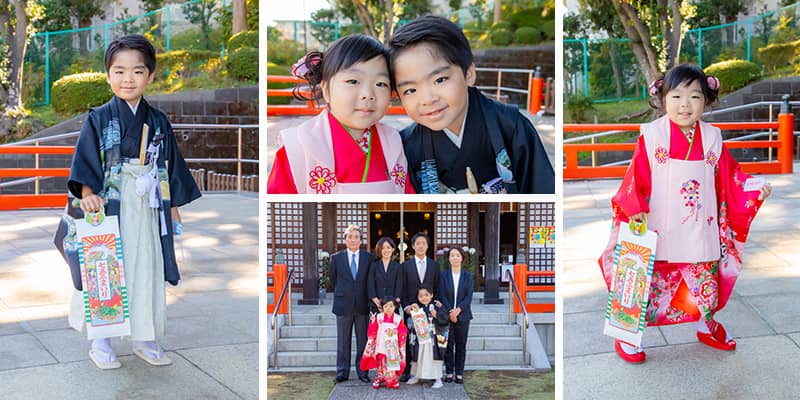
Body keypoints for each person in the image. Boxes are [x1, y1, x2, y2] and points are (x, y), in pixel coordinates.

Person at [599, 64, 772, 363]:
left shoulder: (713, 138)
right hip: (658, 225)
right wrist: (636, 208)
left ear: (707, 100)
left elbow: (730, 176)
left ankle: (706, 324)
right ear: (662, 99)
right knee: (646, 283)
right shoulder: (652, 135)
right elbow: (635, 178)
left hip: (698, 227)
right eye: (676, 97)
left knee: (704, 282)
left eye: (694, 97)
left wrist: (752, 187)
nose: (685, 105)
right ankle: (627, 335)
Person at [53, 34, 201, 370]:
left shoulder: (158, 120)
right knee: (103, 269)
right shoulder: (99, 118)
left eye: (137, 71)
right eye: (119, 71)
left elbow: (169, 166)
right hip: (108, 204)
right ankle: (100, 340)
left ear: (150, 76)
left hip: (146, 204)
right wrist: (87, 194)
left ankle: (144, 337)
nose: (127, 79)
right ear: (107, 75)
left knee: (145, 267)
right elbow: (84, 162)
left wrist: (173, 203)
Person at [388, 15, 554, 194]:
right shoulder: (406, 145)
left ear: (469, 74)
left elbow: (542, 192)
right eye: (410, 90)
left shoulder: (510, 125)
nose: (427, 99)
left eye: (440, 79)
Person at [267, 34, 414, 194]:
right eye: (353, 81)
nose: (368, 94)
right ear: (325, 89)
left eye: (381, 84)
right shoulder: (297, 146)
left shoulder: (393, 141)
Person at [329, 225, 373, 383]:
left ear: (360, 240)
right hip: (343, 304)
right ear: (345, 239)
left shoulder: (369, 258)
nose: (353, 240)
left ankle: (363, 372)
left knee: (362, 341)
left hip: (362, 304)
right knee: (343, 341)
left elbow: (370, 280)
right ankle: (342, 372)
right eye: (350, 237)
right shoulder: (336, 258)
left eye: (356, 237)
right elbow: (333, 280)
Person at [399, 232, 440, 381]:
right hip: (412, 310)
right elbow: (402, 289)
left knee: (430, 342)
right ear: (413, 246)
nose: (421, 246)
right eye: (418, 243)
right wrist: (406, 307)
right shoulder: (405, 266)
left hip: (429, 311)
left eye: (423, 243)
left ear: (427, 246)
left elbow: (437, 287)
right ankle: (409, 371)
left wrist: (436, 307)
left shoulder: (435, 265)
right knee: (411, 341)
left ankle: (430, 372)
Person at [438, 247, 473, 384]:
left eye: (457, 255)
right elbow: (442, 295)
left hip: (463, 316)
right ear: (449, 259)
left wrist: (458, 310)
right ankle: (449, 372)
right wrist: (450, 312)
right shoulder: (444, 275)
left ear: (462, 258)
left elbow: (468, 296)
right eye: (452, 255)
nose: (454, 258)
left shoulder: (468, 276)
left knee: (461, 345)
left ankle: (459, 373)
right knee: (448, 345)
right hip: (447, 315)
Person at [360, 297, 408, 389]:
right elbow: (372, 331)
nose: (389, 308)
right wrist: (373, 322)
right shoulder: (379, 317)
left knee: (392, 362)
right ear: (382, 307)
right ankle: (380, 377)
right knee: (380, 363)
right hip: (381, 344)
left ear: (395, 307)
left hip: (392, 346)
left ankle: (392, 379)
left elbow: (403, 331)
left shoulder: (398, 319)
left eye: (391, 306)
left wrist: (400, 333)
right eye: (386, 306)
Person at [406, 286, 447, 389]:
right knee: (419, 356)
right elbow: (411, 322)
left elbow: (445, 319)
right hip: (420, 338)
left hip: (433, 338)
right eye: (421, 296)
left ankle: (438, 379)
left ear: (431, 295)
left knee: (433, 357)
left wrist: (437, 315)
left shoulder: (437, 306)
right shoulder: (417, 307)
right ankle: (416, 376)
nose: (424, 298)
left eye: (426, 295)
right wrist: (413, 310)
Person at [367, 237, 403, 314]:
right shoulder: (374, 266)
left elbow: (399, 286)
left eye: (388, 247)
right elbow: (370, 285)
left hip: (392, 307)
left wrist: (392, 304)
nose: (386, 250)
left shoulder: (398, 267)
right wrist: (378, 303)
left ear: (393, 249)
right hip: (376, 306)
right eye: (383, 248)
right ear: (379, 250)